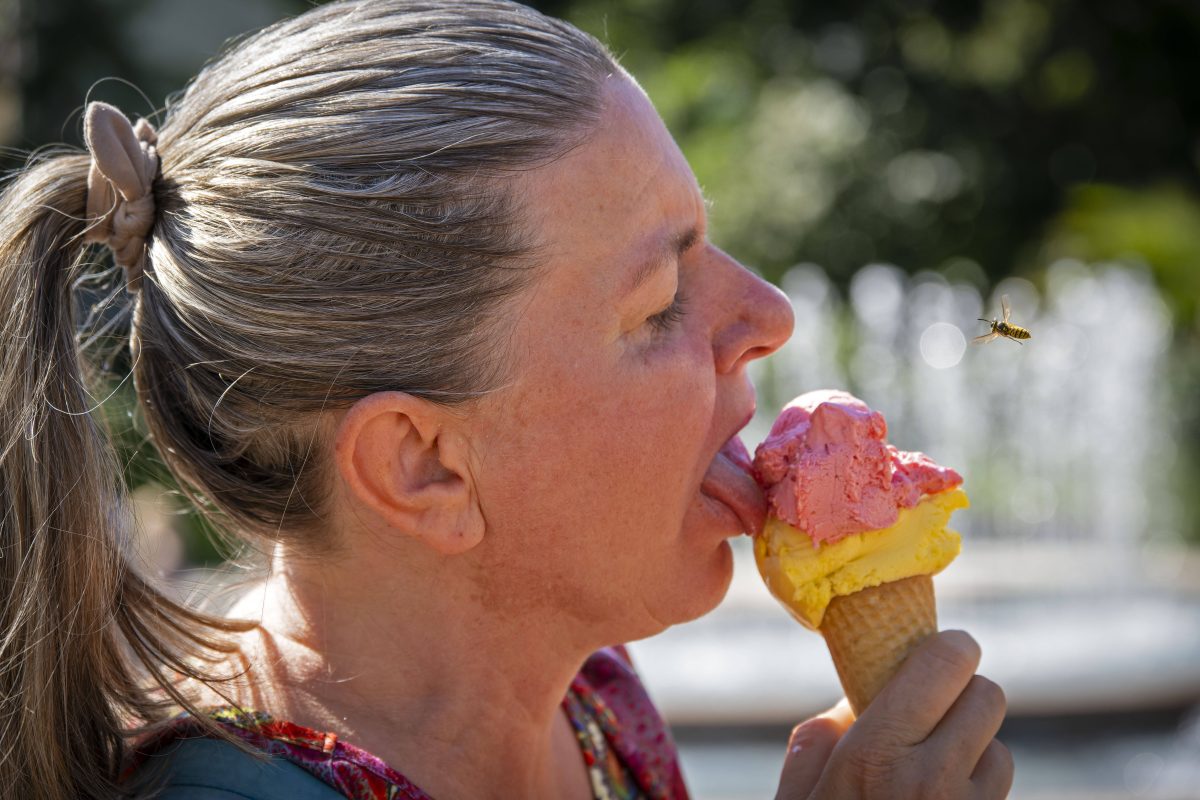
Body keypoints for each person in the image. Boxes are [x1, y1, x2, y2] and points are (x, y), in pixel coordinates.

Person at [0, 1, 1013, 798]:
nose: (770, 312)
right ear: (424, 464)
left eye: (708, 242)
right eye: (660, 303)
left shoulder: (592, 699)